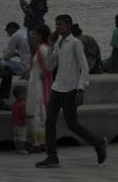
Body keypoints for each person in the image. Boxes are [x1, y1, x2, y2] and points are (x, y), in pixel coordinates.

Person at [35, 14, 106, 169]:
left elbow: (84, 66)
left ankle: (98, 143)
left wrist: (81, 89)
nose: (57, 27)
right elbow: (49, 66)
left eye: (60, 24)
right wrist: (51, 46)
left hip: (70, 89)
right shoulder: (59, 43)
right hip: (57, 87)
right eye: (56, 24)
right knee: (49, 122)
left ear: (67, 26)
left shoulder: (76, 43)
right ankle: (52, 156)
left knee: (72, 124)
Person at [26, 24, 53, 154]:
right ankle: (40, 141)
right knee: (37, 111)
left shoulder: (43, 48)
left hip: (39, 85)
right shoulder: (39, 49)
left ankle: (38, 142)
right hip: (35, 83)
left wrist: (44, 72)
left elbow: (49, 64)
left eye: (35, 34)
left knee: (38, 111)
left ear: (41, 35)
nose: (33, 36)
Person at [11, 86, 29, 153]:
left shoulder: (14, 104)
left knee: (16, 137)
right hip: (21, 124)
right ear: (19, 96)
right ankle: (21, 149)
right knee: (22, 137)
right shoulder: (22, 104)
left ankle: (17, 149)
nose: (25, 96)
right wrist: (30, 116)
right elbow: (23, 115)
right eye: (24, 95)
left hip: (14, 124)